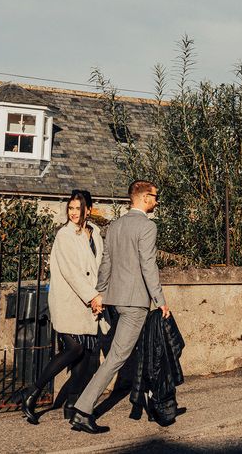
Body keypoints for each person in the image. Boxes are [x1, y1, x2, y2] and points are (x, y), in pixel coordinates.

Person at [70, 180, 170, 435]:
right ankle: (82, 410)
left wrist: (101, 293)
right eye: (155, 197)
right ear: (144, 198)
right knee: (117, 357)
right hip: (136, 302)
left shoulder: (115, 226)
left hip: (115, 300)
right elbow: (148, 265)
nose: (157, 201)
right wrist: (160, 300)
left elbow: (106, 263)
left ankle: (144, 400)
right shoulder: (147, 226)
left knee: (137, 352)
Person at [14, 189, 105, 424]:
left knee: (86, 356)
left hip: (90, 301)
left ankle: (72, 404)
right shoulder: (65, 235)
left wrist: (100, 296)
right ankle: (32, 391)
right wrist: (92, 297)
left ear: (88, 209)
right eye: (70, 208)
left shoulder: (95, 231)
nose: (73, 213)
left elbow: (100, 266)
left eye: (78, 208)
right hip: (70, 301)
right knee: (74, 349)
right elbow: (72, 273)